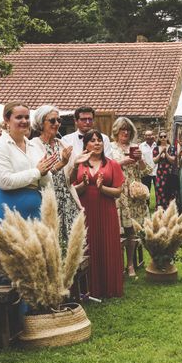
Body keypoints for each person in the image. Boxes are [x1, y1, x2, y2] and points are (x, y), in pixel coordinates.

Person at [0, 102, 57, 286]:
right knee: (8, 257)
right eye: (19, 117)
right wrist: (37, 172)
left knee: (33, 257)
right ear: (6, 120)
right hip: (5, 205)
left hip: (33, 206)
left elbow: (43, 177)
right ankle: (4, 312)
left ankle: (33, 308)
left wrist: (46, 174)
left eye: (26, 117)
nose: (24, 121)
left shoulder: (33, 146)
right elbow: (5, 181)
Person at [73, 130, 124, 298]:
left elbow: (117, 192)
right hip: (85, 209)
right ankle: (89, 289)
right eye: (92, 140)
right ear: (85, 144)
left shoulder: (112, 164)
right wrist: (84, 185)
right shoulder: (79, 164)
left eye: (99, 140)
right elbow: (72, 190)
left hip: (106, 209)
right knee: (88, 244)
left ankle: (109, 287)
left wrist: (102, 188)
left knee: (106, 243)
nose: (97, 143)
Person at [30, 105, 80, 248]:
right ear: (41, 123)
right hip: (47, 200)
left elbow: (71, 180)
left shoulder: (63, 144)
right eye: (52, 120)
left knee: (71, 245)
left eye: (59, 120)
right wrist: (63, 162)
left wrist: (76, 165)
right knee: (51, 244)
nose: (57, 123)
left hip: (67, 200)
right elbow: (40, 175)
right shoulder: (33, 145)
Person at [109, 117, 150, 278]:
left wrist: (139, 160)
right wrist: (122, 162)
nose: (125, 132)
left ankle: (131, 264)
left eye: (128, 130)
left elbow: (146, 171)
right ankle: (117, 264)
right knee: (120, 230)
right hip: (119, 192)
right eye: (122, 129)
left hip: (134, 192)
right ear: (116, 132)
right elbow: (107, 167)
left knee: (133, 230)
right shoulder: (110, 148)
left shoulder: (135, 147)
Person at [153, 130, 178, 210]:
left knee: (170, 192)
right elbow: (155, 161)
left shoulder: (172, 148)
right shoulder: (156, 148)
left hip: (170, 173)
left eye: (164, 136)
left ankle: (170, 210)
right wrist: (160, 153)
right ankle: (160, 210)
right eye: (161, 137)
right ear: (159, 138)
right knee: (160, 192)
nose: (163, 138)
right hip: (160, 174)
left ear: (167, 138)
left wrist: (166, 153)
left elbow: (172, 160)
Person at [139, 129, 157, 206]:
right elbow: (141, 158)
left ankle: (158, 206)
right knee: (146, 190)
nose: (148, 137)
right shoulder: (141, 146)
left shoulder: (157, 145)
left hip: (156, 170)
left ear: (153, 136)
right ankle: (146, 205)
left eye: (150, 135)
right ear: (144, 137)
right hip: (146, 172)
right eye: (146, 135)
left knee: (158, 190)